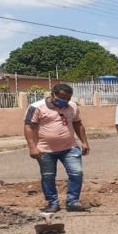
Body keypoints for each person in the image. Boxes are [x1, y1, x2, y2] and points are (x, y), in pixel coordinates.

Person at [23, 83, 90, 213]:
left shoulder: (72, 106)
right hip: (45, 150)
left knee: (76, 173)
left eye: (68, 98)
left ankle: (72, 202)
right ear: (52, 95)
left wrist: (84, 142)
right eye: (62, 98)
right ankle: (52, 203)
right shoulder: (37, 107)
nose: (65, 101)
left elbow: (78, 124)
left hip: (70, 148)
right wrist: (32, 147)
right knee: (48, 176)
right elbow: (29, 127)